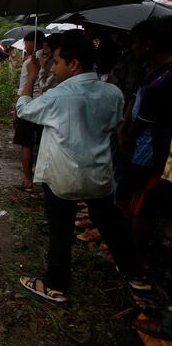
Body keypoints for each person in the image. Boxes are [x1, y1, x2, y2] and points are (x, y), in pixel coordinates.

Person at [16, 30, 147, 303]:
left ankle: (56, 285)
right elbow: (113, 126)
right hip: (98, 172)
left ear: (74, 64)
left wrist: (31, 75)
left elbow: (25, 109)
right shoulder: (112, 92)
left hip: (63, 176)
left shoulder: (59, 96)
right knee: (111, 223)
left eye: (58, 62)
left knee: (60, 231)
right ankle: (134, 274)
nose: (53, 66)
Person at [118, 17, 172, 270]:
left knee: (140, 207)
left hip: (150, 154)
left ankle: (134, 260)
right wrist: (124, 128)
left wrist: (127, 134)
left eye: (137, 43)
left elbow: (146, 118)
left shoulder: (165, 80)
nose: (133, 49)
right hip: (136, 147)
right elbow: (134, 101)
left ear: (149, 45)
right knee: (127, 198)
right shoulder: (150, 71)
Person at [13, 31, 45, 193]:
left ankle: (27, 180)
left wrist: (16, 110)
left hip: (29, 105)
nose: (25, 46)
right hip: (46, 108)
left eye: (26, 43)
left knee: (26, 143)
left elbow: (23, 89)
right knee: (44, 143)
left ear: (34, 43)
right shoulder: (53, 62)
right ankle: (44, 178)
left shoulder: (30, 63)